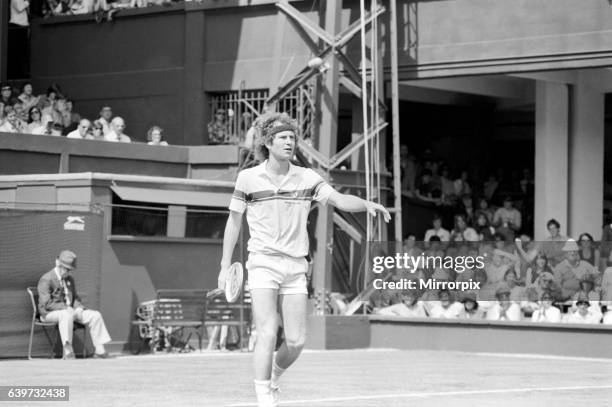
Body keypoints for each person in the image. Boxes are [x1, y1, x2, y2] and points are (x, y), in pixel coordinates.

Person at [218, 112, 390, 407]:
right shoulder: (247, 178)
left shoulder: (307, 177)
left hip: (295, 266)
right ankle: (263, 398)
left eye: (292, 138)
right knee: (268, 330)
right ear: (268, 143)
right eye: (283, 138)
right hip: (262, 262)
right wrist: (224, 266)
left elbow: (337, 200)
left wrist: (366, 204)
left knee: (296, 342)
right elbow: (234, 223)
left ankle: (272, 376)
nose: (290, 142)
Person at [37, 250, 112, 359]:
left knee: (95, 315)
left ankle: (100, 350)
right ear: (58, 264)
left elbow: (75, 298)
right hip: (48, 314)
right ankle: (68, 352)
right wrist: (66, 308)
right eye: (66, 268)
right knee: (66, 315)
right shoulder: (46, 279)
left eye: (70, 269)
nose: (68, 272)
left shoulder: (69, 279)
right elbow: (46, 303)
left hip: (70, 311)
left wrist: (79, 308)